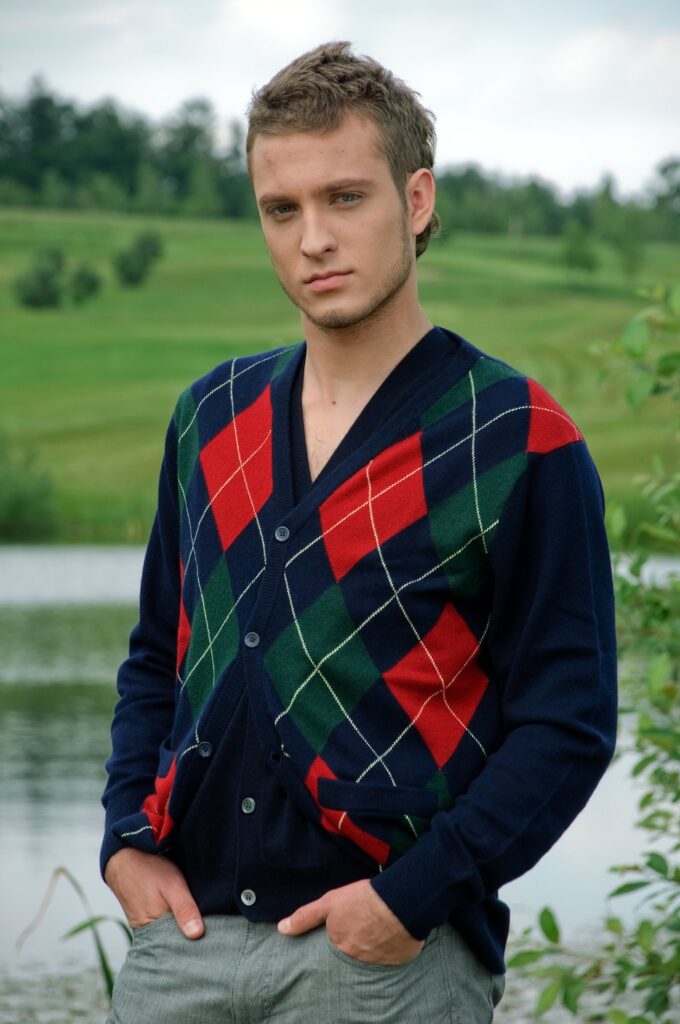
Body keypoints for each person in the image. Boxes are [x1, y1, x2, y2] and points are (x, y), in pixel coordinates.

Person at [102, 41, 617, 1023]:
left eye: (345, 198)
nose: (312, 239)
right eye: (280, 208)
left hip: (384, 962)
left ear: (415, 201)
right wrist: (125, 840)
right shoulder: (210, 416)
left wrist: (410, 898)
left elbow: (568, 721)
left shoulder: (516, 437)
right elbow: (154, 660)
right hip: (181, 949)